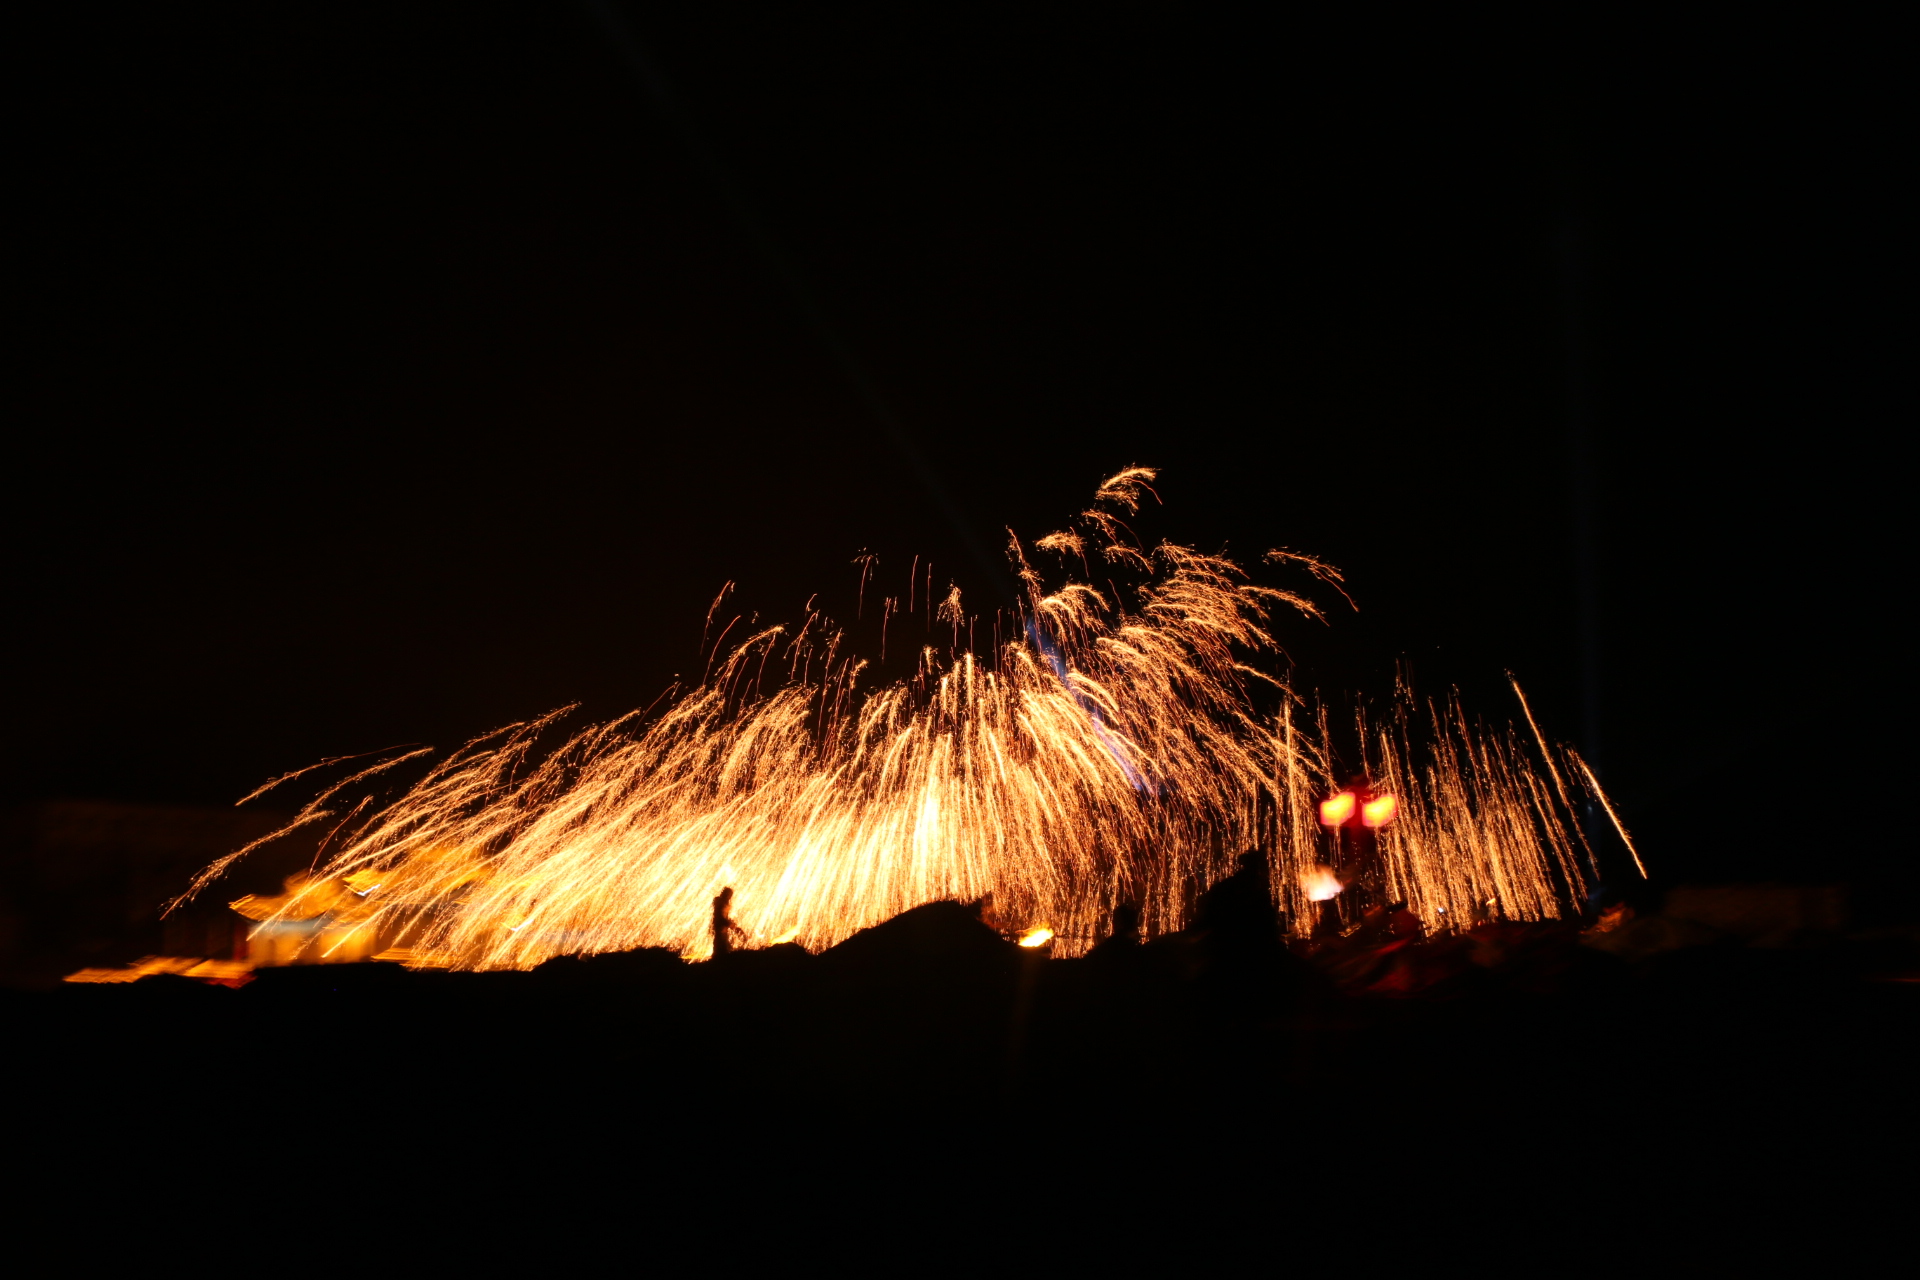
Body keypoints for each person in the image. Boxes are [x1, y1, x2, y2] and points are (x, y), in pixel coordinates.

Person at [711, 886, 746, 958]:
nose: (730, 897)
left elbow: (723, 916)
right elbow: (720, 917)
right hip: (720, 928)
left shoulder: (722, 903)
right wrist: (729, 924)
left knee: (722, 945)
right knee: (721, 947)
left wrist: (730, 922)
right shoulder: (721, 904)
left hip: (721, 928)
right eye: (729, 895)